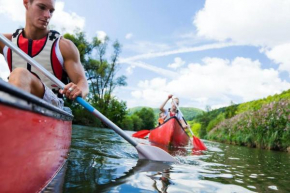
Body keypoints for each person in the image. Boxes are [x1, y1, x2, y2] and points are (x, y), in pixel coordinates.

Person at [0, 0, 89, 110]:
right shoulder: (6, 41)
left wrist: (79, 90)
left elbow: (82, 82)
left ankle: (10, 120)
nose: (47, 15)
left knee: (20, 74)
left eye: (51, 11)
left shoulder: (63, 46)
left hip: (52, 105)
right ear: (26, 3)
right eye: (42, 7)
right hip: (15, 97)